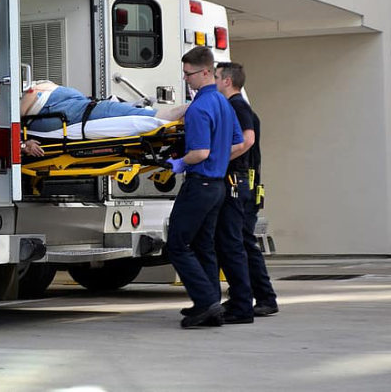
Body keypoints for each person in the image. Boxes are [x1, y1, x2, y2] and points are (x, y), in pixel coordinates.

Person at [165, 47, 245, 328]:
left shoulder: (199, 108)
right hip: (218, 186)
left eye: (189, 74)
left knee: (177, 244)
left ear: (206, 72)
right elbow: (238, 143)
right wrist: (219, 158)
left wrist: (177, 164)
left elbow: (198, 152)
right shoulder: (224, 103)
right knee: (203, 245)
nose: (186, 79)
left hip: (200, 184)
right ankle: (211, 304)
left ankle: (206, 301)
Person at [215, 62, 279, 318]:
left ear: (227, 81)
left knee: (241, 243)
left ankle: (265, 297)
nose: (215, 81)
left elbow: (247, 140)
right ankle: (247, 296)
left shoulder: (237, 106)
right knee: (238, 243)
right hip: (246, 185)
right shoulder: (240, 106)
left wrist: (216, 158)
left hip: (242, 186)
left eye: (217, 77)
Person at [21, 81, 187, 132]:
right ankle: (162, 116)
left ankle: (156, 115)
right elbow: (15, 119)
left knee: (107, 107)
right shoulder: (11, 95)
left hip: (59, 104)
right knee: (106, 109)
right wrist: (24, 144)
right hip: (48, 111)